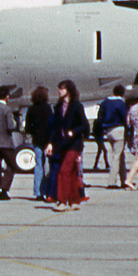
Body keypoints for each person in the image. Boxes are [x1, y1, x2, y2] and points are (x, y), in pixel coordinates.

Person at [47, 79, 89, 212]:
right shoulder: (58, 107)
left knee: (64, 171)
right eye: (59, 88)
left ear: (69, 90)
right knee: (70, 173)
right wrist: (50, 143)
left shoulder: (77, 106)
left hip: (74, 144)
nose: (60, 91)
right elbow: (55, 128)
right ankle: (74, 200)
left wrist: (73, 132)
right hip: (62, 144)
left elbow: (85, 125)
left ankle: (62, 201)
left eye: (62, 89)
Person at [24, 86, 51, 200]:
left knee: (38, 165)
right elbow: (51, 123)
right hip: (48, 139)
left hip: (37, 139)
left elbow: (27, 127)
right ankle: (48, 190)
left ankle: (38, 192)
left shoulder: (31, 108)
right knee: (48, 166)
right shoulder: (48, 108)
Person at [98, 85, 128, 182]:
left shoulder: (105, 102)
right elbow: (125, 118)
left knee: (120, 155)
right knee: (116, 156)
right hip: (118, 129)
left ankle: (124, 179)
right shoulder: (120, 103)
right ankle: (112, 180)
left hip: (108, 130)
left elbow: (100, 116)